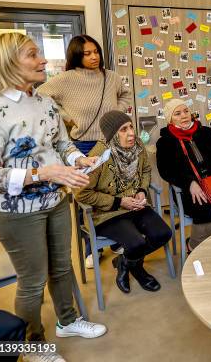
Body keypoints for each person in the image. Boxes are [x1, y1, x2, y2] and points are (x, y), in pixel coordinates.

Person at [0, 33, 107, 362]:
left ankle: (68, 321)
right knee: (32, 281)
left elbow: (62, 145)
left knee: (63, 268)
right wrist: (43, 174)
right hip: (17, 212)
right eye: (32, 54)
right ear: (8, 62)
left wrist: (76, 160)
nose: (43, 60)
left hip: (55, 202)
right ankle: (31, 344)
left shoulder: (45, 102)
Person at [38, 34, 132, 268]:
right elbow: (40, 95)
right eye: (87, 53)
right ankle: (92, 247)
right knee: (86, 199)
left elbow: (126, 95)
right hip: (83, 147)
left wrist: (116, 113)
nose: (94, 57)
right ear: (76, 56)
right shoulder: (65, 79)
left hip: (113, 143)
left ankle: (118, 239)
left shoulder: (111, 77)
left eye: (96, 52)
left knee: (117, 190)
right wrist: (66, 117)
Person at [75, 111, 172, 293]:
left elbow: (145, 170)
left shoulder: (138, 145)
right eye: (123, 130)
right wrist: (119, 201)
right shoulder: (98, 156)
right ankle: (138, 270)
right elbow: (82, 193)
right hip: (108, 212)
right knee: (136, 244)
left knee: (163, 233)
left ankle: (125, 262)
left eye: (131, 127)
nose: (131, 133)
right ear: (112, 134)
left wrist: (142, 191)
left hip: (135, 206)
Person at [156, 99, 211, 252]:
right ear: (170, 119)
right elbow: (166, 170)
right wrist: (189, 183)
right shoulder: (165, 142)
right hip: (190, 189)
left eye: (185, 111)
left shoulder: (205, 132)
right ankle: (195, 246)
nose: (184, 115)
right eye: (177, 113)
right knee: (210, 211)